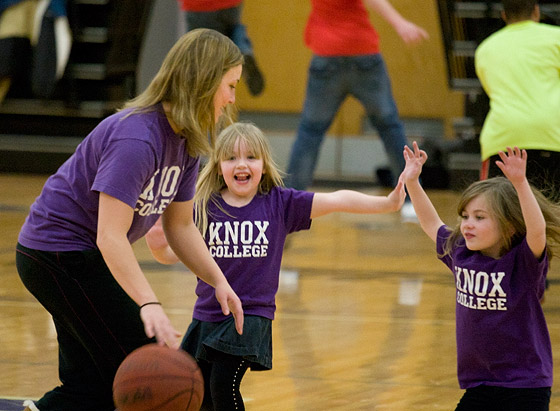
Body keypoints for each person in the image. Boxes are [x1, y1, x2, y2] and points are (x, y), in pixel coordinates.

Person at [15, 28, 245, 411]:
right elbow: (109, 235)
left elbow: (180, 226)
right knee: (162, 372)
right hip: (58, 254)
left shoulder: (187, 141)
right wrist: (148, 303)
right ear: (204, 82)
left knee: (89, 390)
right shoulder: (138, 138)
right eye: (231, 85)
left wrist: (218, 280)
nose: (233, 98)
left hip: (75, 256)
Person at [145, 121, 406, 410]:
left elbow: (337, 199)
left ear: (264, 166)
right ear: (219, 166)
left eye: (250, 157)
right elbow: (176, 254)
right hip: (207, 315)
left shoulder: (280, 204)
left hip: (250, 316)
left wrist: (388, 203)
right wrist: (158, 245)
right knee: (199, 394)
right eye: (231, 158)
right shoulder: (204, 205)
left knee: (223, 383)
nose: (240, 164)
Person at [402, 142, 560, 411]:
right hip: (480, 383)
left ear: (509, 226)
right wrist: (413, 182)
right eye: (465, 216)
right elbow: (431, 222)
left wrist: (520, 184)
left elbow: (536, 230)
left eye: (479, 217)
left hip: (525, 384)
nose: (467, 223)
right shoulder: (460, 253)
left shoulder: (522, 263)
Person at [284, 0, 429, 222]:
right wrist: (399, 22)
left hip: (326, 53)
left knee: (310, 132)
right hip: (363, 53)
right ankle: (412, 199)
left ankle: (289, 204)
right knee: (389, 127)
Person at [475, 0, 560, 201]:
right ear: (536, 12)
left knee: (500, 219)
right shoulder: (556, 37)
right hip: (553, 135)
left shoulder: (485, 48)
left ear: (504, 15)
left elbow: (491, 90)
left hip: (504, 139)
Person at [179, 0, 265, 96]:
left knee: (203, 52)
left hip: (199, 7)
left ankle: (206, 95)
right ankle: (243, 50)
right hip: (231, 4)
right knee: (232, 29)